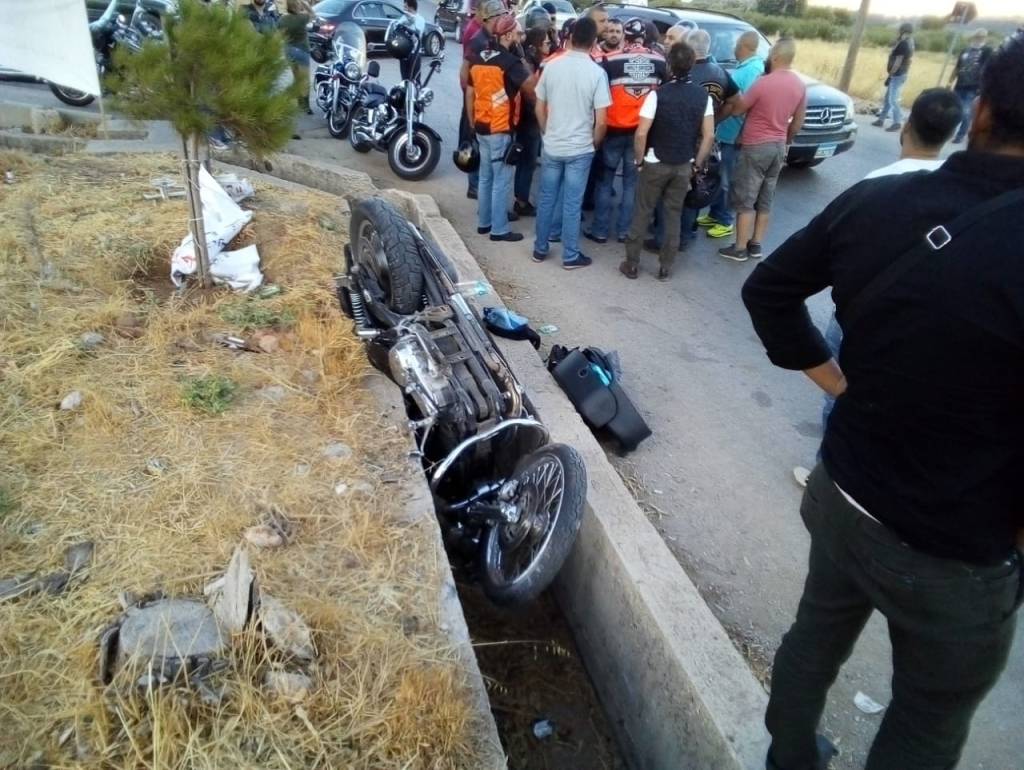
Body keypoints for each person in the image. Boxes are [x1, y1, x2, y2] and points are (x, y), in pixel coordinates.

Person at [742, 33, 1024, 770]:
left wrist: (834, 381)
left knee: (814, 637)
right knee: (927, 720)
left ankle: (788, 756)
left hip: (846, 493)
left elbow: (768, 289)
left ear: (980, 112)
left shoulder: (879, 198)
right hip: (960, 548)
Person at [791, 87, 964, 489]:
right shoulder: (956, 190)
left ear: (906, 128)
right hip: (919, 322)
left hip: (860, 313)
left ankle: (828, 474)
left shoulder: (877, 184)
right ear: (951, 135)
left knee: (841, 394)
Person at [620, 41, 713, 281]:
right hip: (683, 163)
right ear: (692, 64)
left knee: (642, 211)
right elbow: (708, 136)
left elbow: (641, 133)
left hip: (655, 159)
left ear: (669, 64)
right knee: (673, 214)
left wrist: (639, 161)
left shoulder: (657, 95)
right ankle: (665, 266)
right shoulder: (703, 96)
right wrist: (696, 165)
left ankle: (632, 263)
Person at [647, 28, 738, 253]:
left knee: (668, 189)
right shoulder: (721, 73)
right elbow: (738, 102)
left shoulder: (683, 72)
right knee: (695, 187)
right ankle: (685, 235)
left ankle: (662, 237)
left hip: (680, 138)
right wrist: (715, 120)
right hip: (705, 141)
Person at [531, 16, 611, 270]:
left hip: (553, 144)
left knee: (546, 198)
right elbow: (601, 121)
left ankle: (540, 248)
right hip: (580, 148)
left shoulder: (551, 66)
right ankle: (570, 255)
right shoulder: (597, 73)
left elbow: (539, 107)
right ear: (593, 42)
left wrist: (547, 132)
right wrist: (594, 143)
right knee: (572, 203)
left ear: (571, 37)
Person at [718, 38, 805, 262]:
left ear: (775, 57)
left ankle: (739, 248)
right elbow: (797, 123)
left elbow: (738, 109)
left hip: (756, 146)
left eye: (769, 54)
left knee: (746, 199)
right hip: (778, 146)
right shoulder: (799, 85)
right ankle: (756, 244)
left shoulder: (763, 83)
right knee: (765, 199)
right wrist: (786, 141)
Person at [586, 17, 666, 244]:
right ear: (645, 37)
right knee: (631, 184)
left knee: (605, 181)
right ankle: (624, 232)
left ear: (625, 36)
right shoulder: (659, 60)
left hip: (613, 129)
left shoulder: (609, 59)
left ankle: (600, 230)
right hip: (641, 131)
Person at [467, 14, 533, 242]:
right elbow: (530, 88)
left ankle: (484, 223)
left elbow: (470, 92)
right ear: (507, 35)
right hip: (500, 127)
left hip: (482, 126)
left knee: (485, 178)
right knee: (501, 181)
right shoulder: (510, 62)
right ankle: (499, 229)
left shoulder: (477, 58)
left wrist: (471, 121)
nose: (520, 37)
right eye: (517, 33)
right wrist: (523, 60)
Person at [696, 31, 763, 240]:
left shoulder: (750, 71)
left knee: (726, 179)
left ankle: (725, 220)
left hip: (732, 134)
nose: (734, 48)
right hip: (726, 132)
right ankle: (715, 214)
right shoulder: (748, 67)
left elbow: (744, 105)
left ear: (742, 46)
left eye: (736, 45)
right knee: (717, 174)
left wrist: (720, 120)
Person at [460, 0, 508, 200]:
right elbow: (465, 71)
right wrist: (471, 96)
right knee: (475, 144)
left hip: (484, 101)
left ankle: (477, 186)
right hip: (478, 100)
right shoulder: (479, 41)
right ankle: (474, 186)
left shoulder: (490, 38)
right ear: (491, 18)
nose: (503, 19)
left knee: (479, 144)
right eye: (501, 16)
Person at [514, 26, 551, 217]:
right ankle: (521, 201)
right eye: (546, 42)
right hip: (530, 120)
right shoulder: (530, 64)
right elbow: (532, 94)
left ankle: (520, 198)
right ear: (537, 45)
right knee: (527, 162)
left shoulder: (531, 61)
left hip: (526, 119)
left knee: (525, 161)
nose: (549, 45)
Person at [948, 28, 992, 143]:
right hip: (960, 84)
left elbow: (988, 70)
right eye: (977, 36)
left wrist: (983, 87)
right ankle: (949, 132)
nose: (979, 39)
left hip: (974, 87)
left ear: (985, 38)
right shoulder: (965, 50)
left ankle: (960, 135)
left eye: (981, 37)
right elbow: (957, 67)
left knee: (966, 112)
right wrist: (950, 81)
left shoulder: (987, 51)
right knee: (955, 110)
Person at [872, 22, 914, 132]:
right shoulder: (909, 42)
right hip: (901, 73)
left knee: (893, 99)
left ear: (903, 31)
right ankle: (881, 120)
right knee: (888, 98)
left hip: (897, 74)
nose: (897, 32)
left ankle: (897, 122)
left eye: (899, 31)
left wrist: (890, 75)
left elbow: (898, 61)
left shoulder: (903, 44)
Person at [279, 0, 313, 115]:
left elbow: (280, 34)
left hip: (289, 50)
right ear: (297, 5)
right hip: (302, 50)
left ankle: (299, 104)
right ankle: (305, 106)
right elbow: (313, 15)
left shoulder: (283, 19)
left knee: (297, 79)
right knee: (305, 80)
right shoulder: (302, 18)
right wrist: (305, 4)